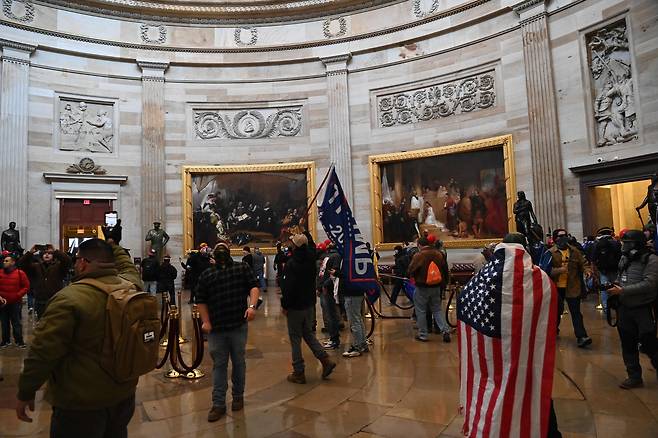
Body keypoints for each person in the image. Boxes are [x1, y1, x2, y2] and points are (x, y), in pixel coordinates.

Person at [15, 239, 143, 437]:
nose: (74, 264)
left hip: (81, 402)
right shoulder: (130, 286)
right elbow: (127, 266)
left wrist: (26, 390)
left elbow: (44, 351)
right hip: (123, 395)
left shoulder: (68, 299)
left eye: (76, 261)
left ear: (83, 262)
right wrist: (113, 243)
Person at [196, 242, 260, 423]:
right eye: (219, 249)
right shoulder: (207, 275)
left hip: (238, 325)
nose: (221, 251)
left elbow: (253, 287)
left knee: (239, 362)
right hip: (216, 329)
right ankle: (218, 404)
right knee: (219, 365)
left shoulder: (241, 268)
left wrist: (252, 306)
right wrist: (206, 321)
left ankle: (238, 396)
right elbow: (201, 299)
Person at [605, 230, 658, 389]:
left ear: (636, 244)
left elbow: (650, 284)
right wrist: (614, 286)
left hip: (642, 308)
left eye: (627, 243)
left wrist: (623, 291)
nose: (623, 245)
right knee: (628, 343)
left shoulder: (651, 260)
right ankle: (634, 376)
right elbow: (621, 277)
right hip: (624, 308)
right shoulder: (624, 258)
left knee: (649, 343)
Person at [281, 233, 336, 383]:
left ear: (296, 246)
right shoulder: (311, 260)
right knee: (308, 334)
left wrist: (285, 305)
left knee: (295, 339)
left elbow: (288, 287)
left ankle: (298, 372)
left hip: (295, 306)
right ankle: (325, 360)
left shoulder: (292, 263)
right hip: (308, 304)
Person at [547, 229, 593, 348]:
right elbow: (546, 270)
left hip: (572, 286)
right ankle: (553, 330)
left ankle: (581, 336)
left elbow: (583, 264)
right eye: (560, 236)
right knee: (556, 311)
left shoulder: (574, 251)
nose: (564, 238)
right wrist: (559, 270)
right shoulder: (550, 253)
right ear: (555, 238)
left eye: (565, 235)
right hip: (557, 288)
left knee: (576, 312)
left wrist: (587, 271)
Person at [407, 237, 451, 342]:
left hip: (422, 287)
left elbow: (411, 269)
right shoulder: (439, 254)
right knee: (437, 309)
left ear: (419, 245)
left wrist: (410, 276)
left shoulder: (419, 255)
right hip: (436, 286)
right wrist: (443, 285)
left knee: (421, 311)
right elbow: (445, 270)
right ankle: (445, 331)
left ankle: (423, 334)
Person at [0, 255, 29, 348]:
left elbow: (26, 286)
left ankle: (19, 341)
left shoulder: (20, 273)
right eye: (4, 261)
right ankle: (5, 341)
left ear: (13, 262)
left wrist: (17, 295)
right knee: (4, 323)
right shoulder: (0, 273)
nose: (4, 262)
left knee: (16, 322)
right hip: (2, 303)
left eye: (7, 261)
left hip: (15, 302)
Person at [591, 227, 622, 313]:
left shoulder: (597, 244)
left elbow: (593, 259)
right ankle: (618, 307)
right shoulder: (616, 243)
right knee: (616, 287)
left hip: (603, 270)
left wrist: (594, 271)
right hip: (615, 269)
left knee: (604, 289)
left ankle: (606, 308)